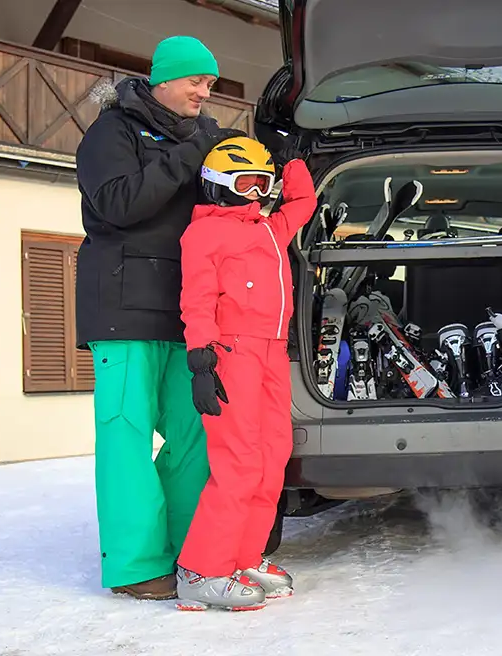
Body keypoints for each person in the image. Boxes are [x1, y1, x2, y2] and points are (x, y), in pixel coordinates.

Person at [75, 35, 242, 600]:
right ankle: (136, 565)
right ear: (164, 79)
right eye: (196, 80)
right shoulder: (112, 131)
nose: (204, 91)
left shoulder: (202, 137)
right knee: (125, 438)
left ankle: (192, 551)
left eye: (210, 83)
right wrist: (191, 153)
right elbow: (118, 203)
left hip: (185, 310)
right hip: (121, 308)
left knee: (193, 435)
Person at [174, 135, 317, 611]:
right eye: (247, 183)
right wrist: (200, 359)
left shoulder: (270, 229)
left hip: (273, 353)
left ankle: (243, 556)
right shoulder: (204, 234)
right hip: (229, 351)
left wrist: (293, 157)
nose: (257, 194)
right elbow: (196, 299)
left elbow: (304, 201)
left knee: (271, 454)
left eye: (264, 183)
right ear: (219, 184)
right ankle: (201, 569)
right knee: (236, 461)